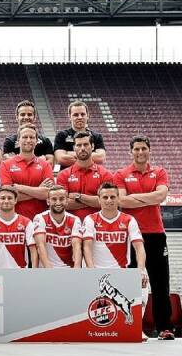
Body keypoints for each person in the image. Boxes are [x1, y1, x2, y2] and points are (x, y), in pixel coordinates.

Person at [114, 136, 174, 340]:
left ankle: (164, 328)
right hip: (131, 235)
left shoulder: (160, 171)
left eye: (143, 148)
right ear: (131, 151)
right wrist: (150, 197)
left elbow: (161, 196)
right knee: (130, 282)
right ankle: (131, 327)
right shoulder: (121, 174)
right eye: (137, 149)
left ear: (149, 150)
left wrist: (135, 198)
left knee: (160, 283)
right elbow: (122, 202)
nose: (140, 152)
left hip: (156, 234)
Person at [0, 186, 47, 269]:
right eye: (3, 198)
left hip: (20, 272)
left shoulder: (26, 222)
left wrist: (33, 271)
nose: (6, 201)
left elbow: (33, 250)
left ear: (15, 200)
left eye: (10, 198)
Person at [0, 124, 53, 221]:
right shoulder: (6, 165)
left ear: (36, 141)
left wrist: (19, 187)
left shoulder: (45, 165)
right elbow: (8, 196)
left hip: (40, 221)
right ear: (18, 140)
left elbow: (47, 194)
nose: (28, 140)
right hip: (15, 221)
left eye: (32, 137)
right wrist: (38, 190)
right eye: (25, 137)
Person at [56, 131, 113, 220]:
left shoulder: (105, 174)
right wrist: (94, 201)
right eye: (79, 145)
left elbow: (108, 202)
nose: (82, 148)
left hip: (97, 225)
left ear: (92, 146)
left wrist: (78, 197)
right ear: (74, 148)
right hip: (71, 225)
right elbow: (62, 203)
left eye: (86, 144)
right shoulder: (63, 175)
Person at [31, 185, 85, 268]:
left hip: (68, 269)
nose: (58, 202)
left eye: (61, 199)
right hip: (46, 269)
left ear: (67, 201)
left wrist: (77, 267)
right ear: (48, 201)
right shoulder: (40, 218)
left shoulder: (75, 220)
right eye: (54, 199)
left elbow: (76, 246)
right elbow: (40, 246)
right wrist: (49, 269)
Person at [54, 100, 106, 169]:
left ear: (87, 116)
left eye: (82, 114)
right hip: (69, 175)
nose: (80, 117)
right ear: (70, 117)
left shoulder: (97, 136)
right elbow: (61, 159)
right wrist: (87, 157)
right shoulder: (61, 135)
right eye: (76, 115)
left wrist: (69, 153)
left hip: (91, 174)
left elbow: (101, 158)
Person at [2, 100, 54, 164]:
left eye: (29, 114)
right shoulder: (9, 141)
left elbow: (50, 163)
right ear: (17, 117)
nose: (26, 117)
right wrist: (39, 160)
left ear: (34, 117)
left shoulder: (45, 141)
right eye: (22, 115)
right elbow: (8, 163)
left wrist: (18, 160)